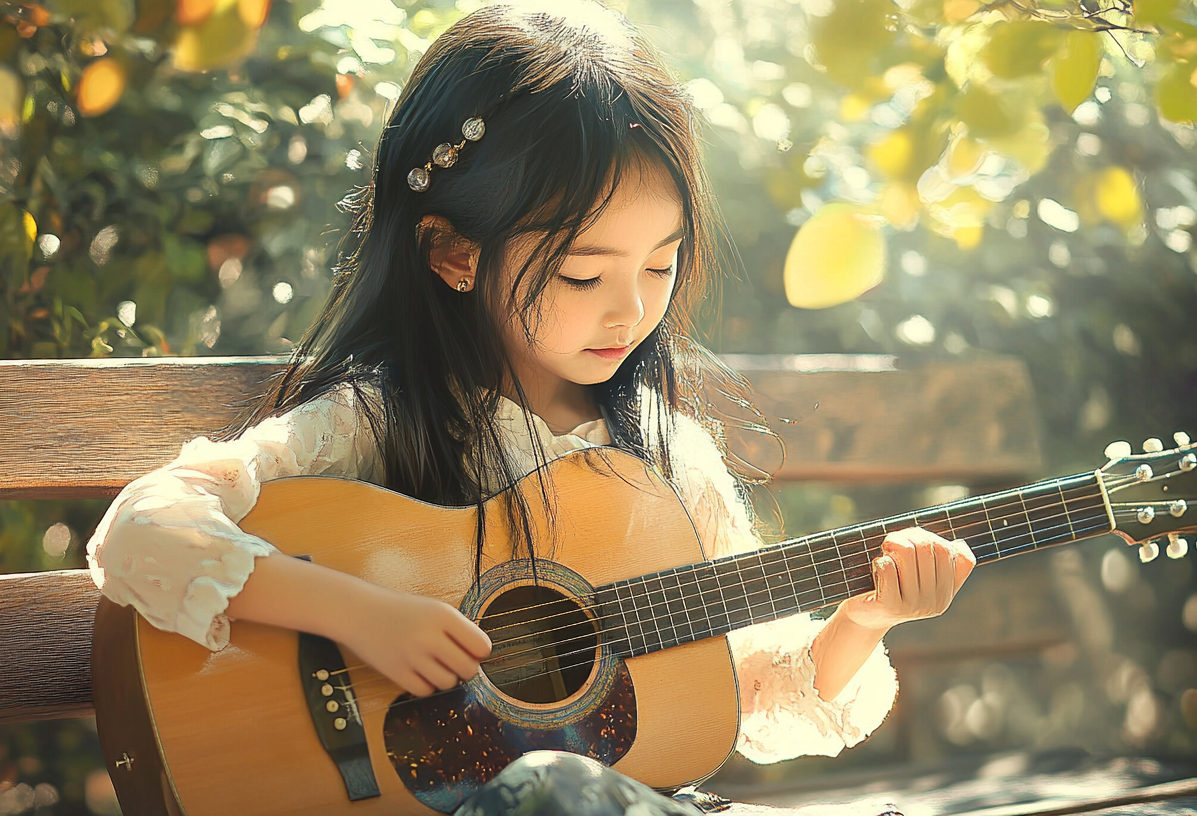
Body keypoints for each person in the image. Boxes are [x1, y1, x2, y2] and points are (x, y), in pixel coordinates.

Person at [86, 3, 977, 814]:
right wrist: (356, 613)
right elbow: (143, 530)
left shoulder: (666, 462)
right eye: (584, 273)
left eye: (659, 266)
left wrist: (863, 619)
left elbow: (755, 697)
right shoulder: (381, 421)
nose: (630, 309)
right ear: (452, 255)